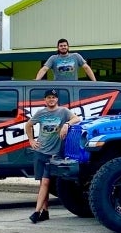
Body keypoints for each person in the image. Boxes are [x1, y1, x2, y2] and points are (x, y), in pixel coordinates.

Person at [23, 89, 79, 223]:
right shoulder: (41, 113)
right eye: (48, 97)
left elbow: (77, 118)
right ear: (45, 100)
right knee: (43, 183)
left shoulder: (63, 111)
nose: (51, 99)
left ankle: (36, 212)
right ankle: (45, 212)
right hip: (40, 151)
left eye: (53, 97)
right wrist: (31, 140)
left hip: (54, 154)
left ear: (57, 99)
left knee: (46, 182)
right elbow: (28, 125)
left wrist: (66, 124)